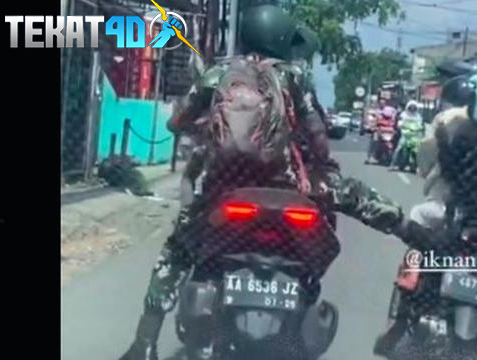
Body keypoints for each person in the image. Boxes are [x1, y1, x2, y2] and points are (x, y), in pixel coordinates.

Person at [118, 6, 423, 360]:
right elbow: (317, 135)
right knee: (353, 195)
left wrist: (203, 128)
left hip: (224, 188)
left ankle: (144, 342)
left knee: (175, 253)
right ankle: (413, 231)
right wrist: (324, 170)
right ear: (280, 38)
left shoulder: (220, 71)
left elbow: (178, 121)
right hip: (287, 187)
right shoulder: (293, 75)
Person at [374, 72, 477, 359]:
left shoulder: (451, 123)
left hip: (452, 211)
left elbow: (431, 157)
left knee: (418, 221)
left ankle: (412, 277)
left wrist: (428, 171)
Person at [388, 100, 424, 171]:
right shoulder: (403, 115)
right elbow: (399, 124)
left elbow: (420, 126)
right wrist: (401, 126)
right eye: (411, 107)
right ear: (408, 107)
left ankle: (416, 167)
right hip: (405, 135)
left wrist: (420, 130)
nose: (412, 109)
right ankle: (392, 165)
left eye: (414, 108)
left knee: (417, 151)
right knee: (398, 150)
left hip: (414, 136)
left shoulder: (418, 116)